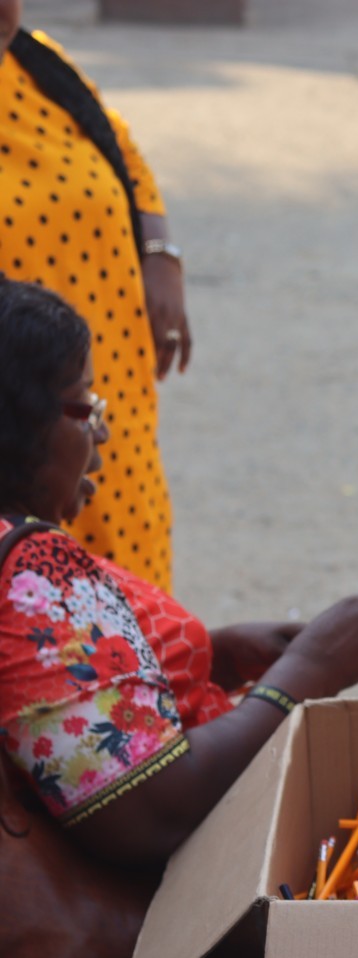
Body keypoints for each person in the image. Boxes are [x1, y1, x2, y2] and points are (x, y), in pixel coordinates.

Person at [0, 279, 358, 867]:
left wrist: (210, 653)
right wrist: (309, 673)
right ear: (21, 422)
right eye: (84, 406)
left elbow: (51, 687)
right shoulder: (31, 573)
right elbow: (152, 812)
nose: (102, 432)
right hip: (159, 923)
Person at [0, 2, 192, 592]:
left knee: (137, 610)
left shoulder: (35, 61)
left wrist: (159, 258)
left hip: (112, 407)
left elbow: (123, 148)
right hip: (21, 447)